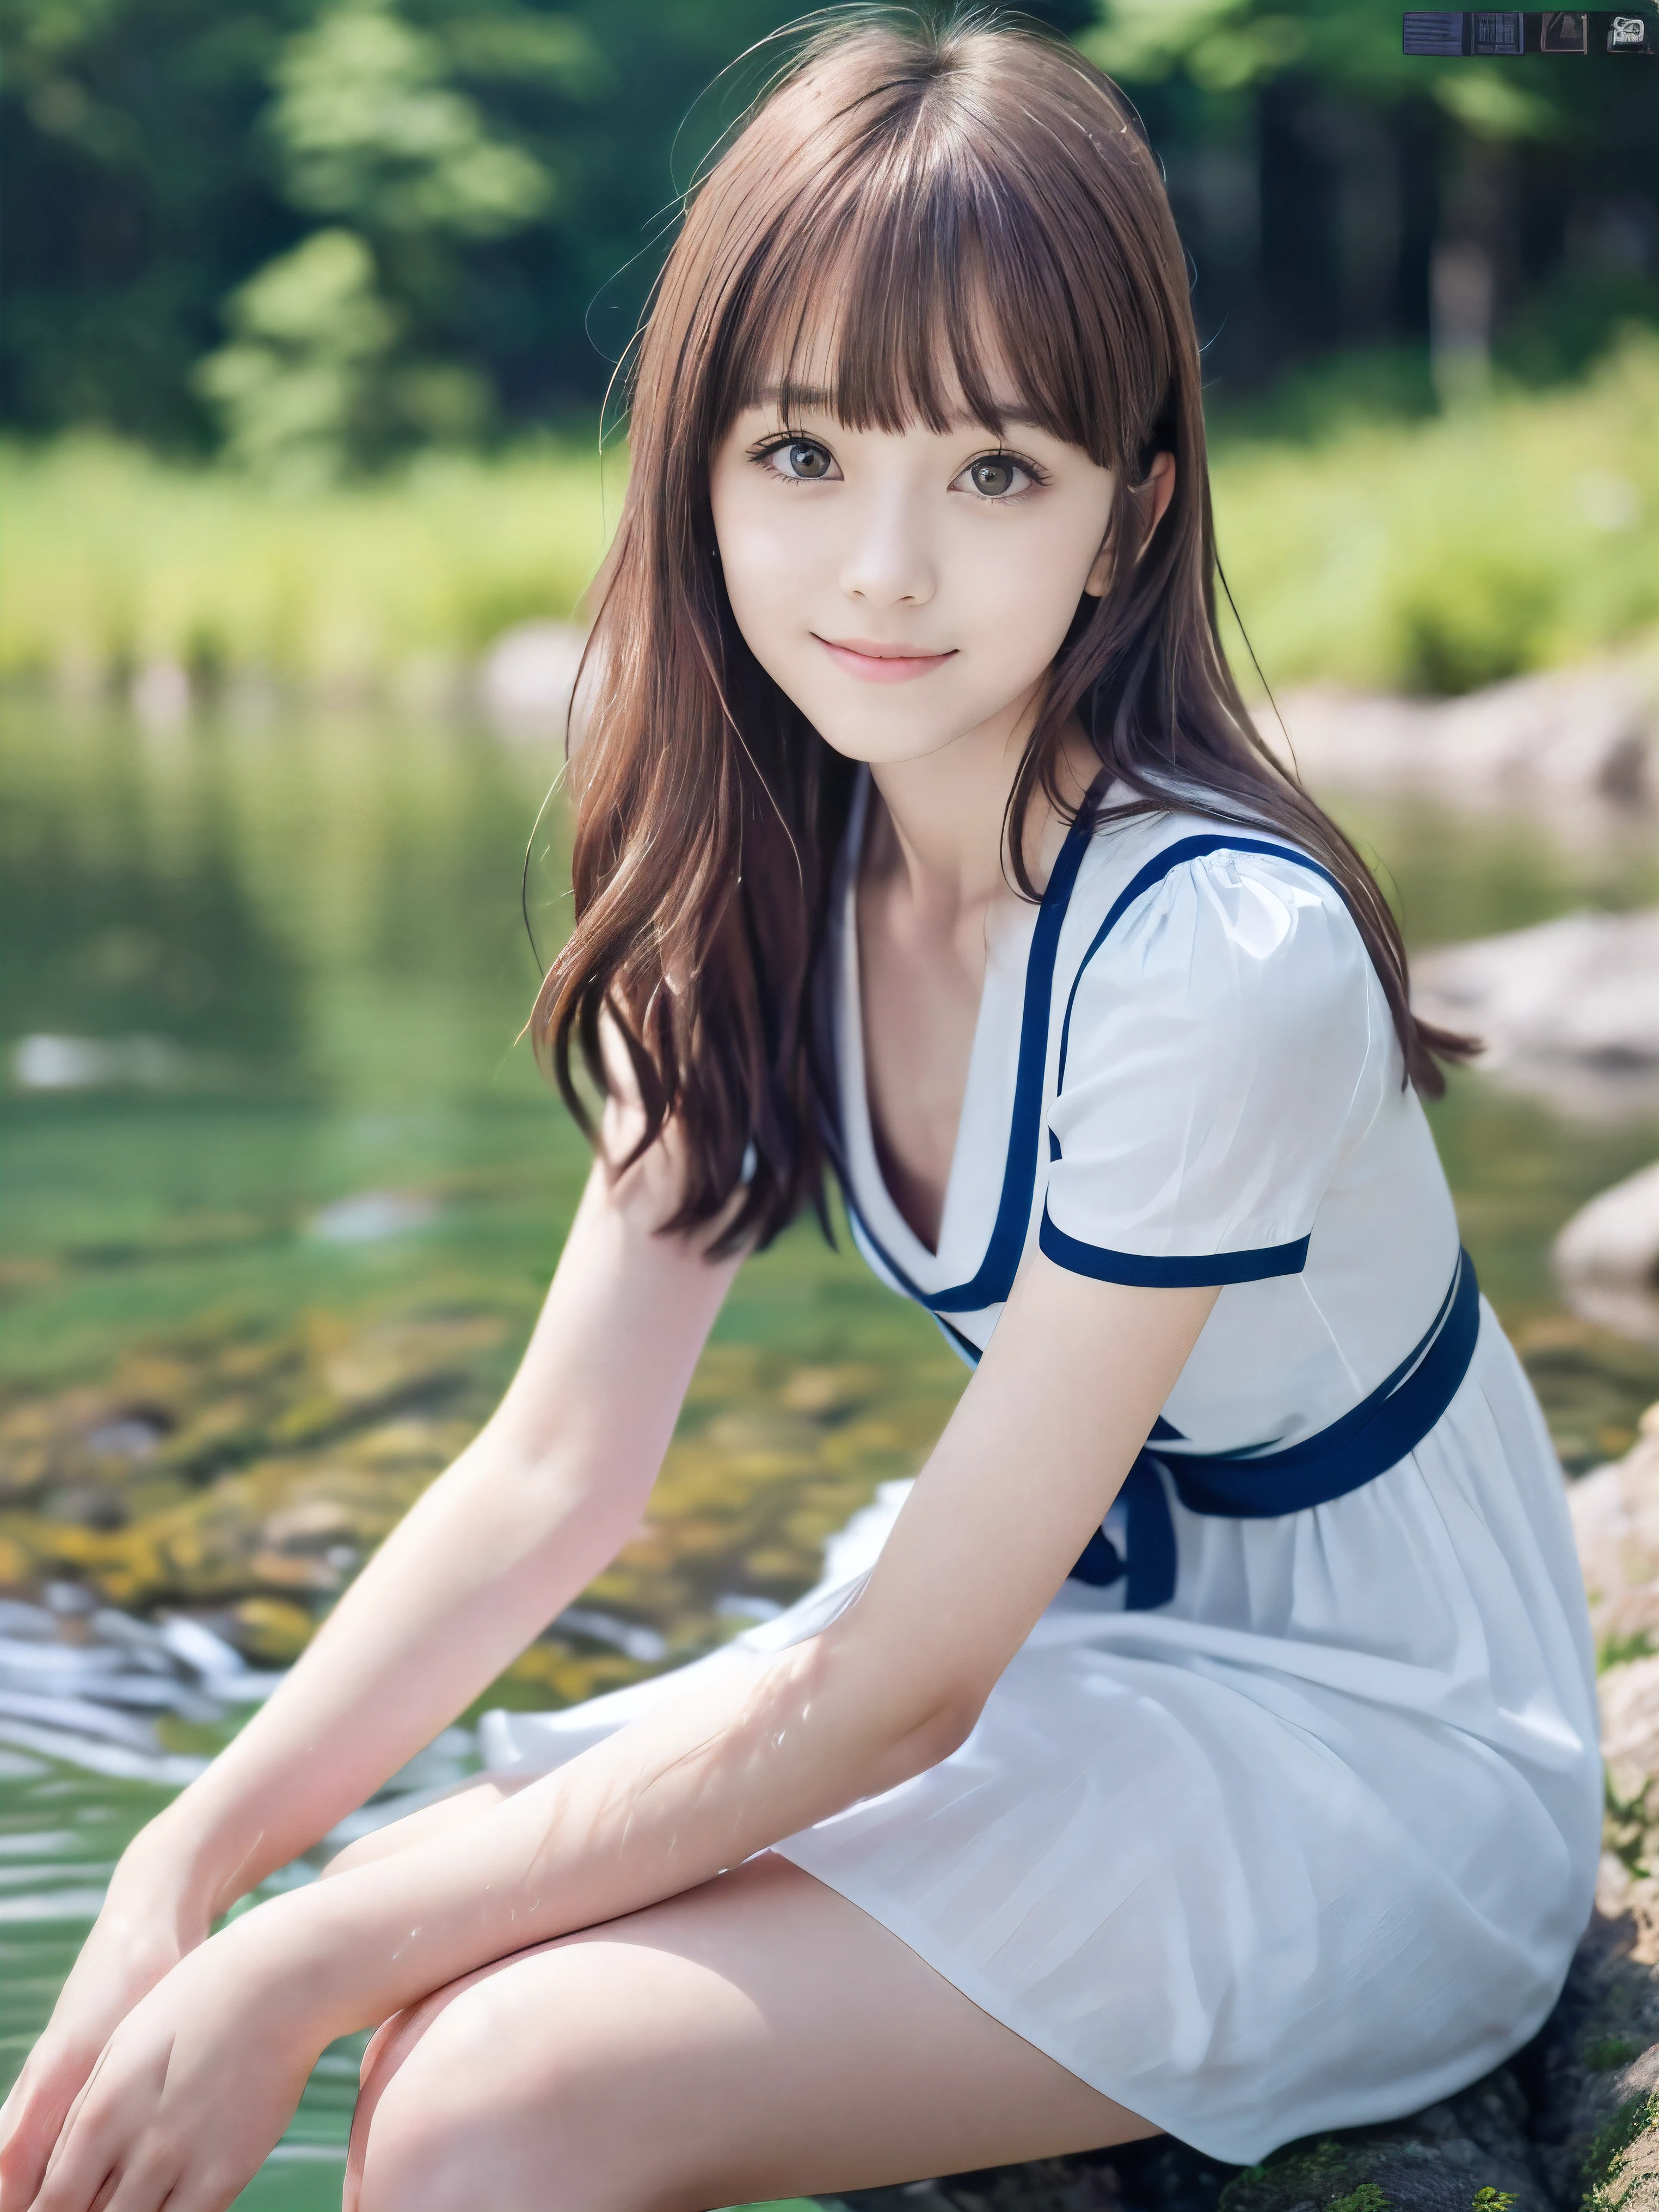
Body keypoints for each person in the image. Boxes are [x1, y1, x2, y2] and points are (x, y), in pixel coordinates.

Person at [0, 17, 1600, 2212]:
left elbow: (912, 1679)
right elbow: (554, 1471)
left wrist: (293, 1954)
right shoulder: (754, 884)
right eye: (808, 453)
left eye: (996, 473)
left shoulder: (1216, 958)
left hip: (1374, 1755)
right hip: (1076, 1660)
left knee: (490, 2082)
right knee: (424, 2003)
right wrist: (189, 1866)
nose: (883, 572)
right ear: (700, 464)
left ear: (1134, 519)